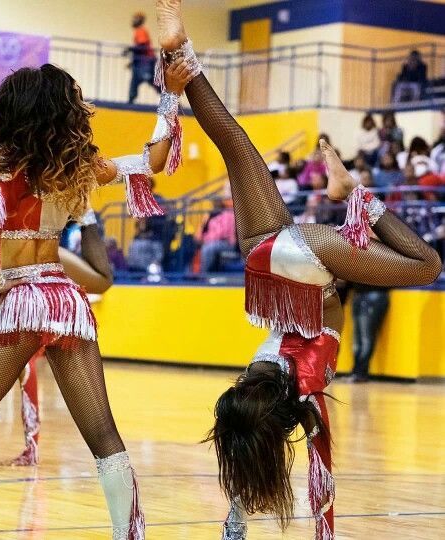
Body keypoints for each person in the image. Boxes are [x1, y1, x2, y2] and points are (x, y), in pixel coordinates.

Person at [155, 3, 441, 538]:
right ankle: (179, 54)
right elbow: (250, 433)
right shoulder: (257, 374)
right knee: (236, 144)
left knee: (428, 266)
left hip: (306, 262)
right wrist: (233, 522)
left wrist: (323, 532)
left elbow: (321, 466)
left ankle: (351, 192)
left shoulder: (305, 393)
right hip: (263, 260)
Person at [0, 58, 193, 539]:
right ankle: (131, 534)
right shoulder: (77, 167)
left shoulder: (0, 160)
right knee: (102, 434)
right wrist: (171, 95)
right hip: (66, 302)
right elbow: (155, 161)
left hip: (21, 301)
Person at [349, 284, 390, 383]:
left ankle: (360, 373)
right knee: (358, 339)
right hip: (360, 294)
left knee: (365, 338)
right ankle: (356, 372)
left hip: (374, 293)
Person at [196, 199, 236, 273]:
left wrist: (205, 239)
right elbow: (197, 237)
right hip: (211, 242)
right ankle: (190, 275)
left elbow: (222, 234)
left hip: (226, 243)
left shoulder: (228, 214)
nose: (215, 204)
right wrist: (205, 220)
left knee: (208, 248)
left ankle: (203, 275)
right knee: (192, 246)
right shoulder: (210, 216)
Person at [126, 12, 158, 104]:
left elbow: (142, 45)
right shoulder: (138, 31)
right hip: (140, 62)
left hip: (146, 61)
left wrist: (130, 49)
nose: (132, 21)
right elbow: (139, 49)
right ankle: (130, 102)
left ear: (139, 20)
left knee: (150, 79)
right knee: (134, 82)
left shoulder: (141, 30)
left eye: (134, 19)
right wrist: (132, 62)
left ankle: (168, 99)